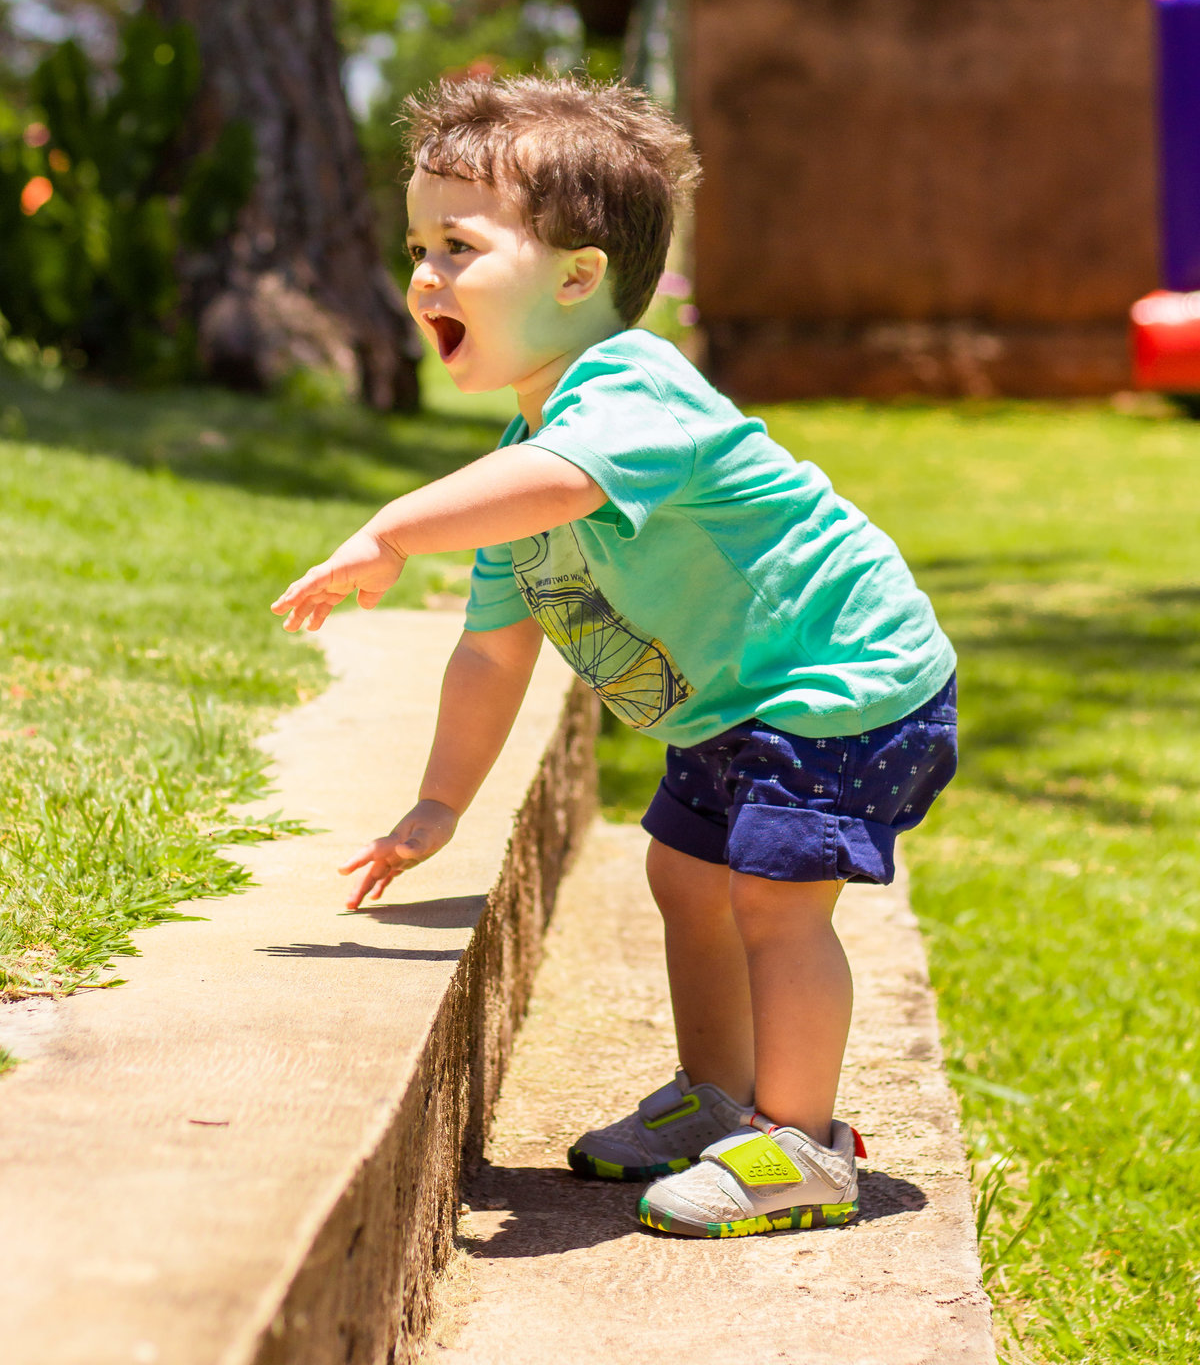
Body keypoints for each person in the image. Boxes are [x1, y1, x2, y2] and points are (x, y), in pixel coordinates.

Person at [271, 73, 957, 1241]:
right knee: (682, 879)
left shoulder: (631, 392)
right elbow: (492, 654)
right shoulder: (526, 450)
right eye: (417, 246)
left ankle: (803, 1150)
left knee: (777, 904)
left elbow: (568, 482)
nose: (423, 276)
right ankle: (719, 1104)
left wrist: (391, 527)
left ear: (579, 278)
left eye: (457, 246)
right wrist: (439, 804)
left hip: (843, 684)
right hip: (739, 706)